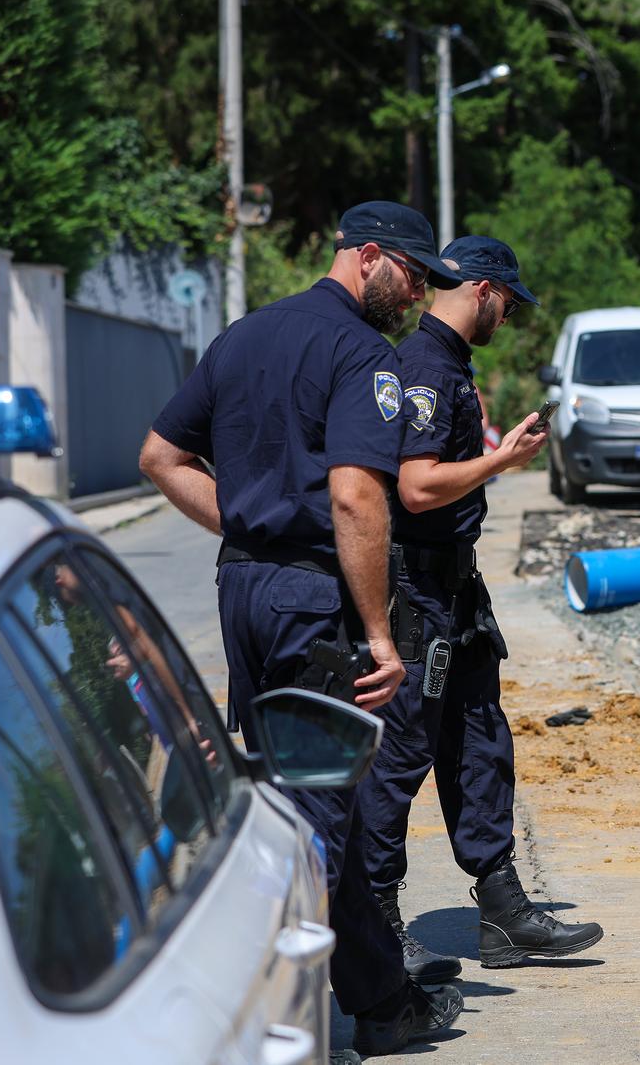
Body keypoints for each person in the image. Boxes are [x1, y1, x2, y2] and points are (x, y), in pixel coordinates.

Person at [138, 201, 465, 1058]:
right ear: (367, 256)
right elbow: (359, 494)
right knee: (312, 821)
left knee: (310, 801)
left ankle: (380, 997)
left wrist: (250, 527)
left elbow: (160, 456)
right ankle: (269, 1028)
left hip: (244, 592)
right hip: (313, 607)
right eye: (413, 272)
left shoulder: (244, 335)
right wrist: (381, 635)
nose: (420, 290)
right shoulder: (362, 352)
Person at [358, 235, 605, 975]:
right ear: (487, 292)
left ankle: (503, 913)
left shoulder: (448, 364)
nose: (509, 319)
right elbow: (416, 485)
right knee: (400, 757)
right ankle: (377, 927)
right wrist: (504, 459)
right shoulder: (427, 366)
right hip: (418, 591)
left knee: (478, 743)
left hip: (455, 591)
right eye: (509, 304)